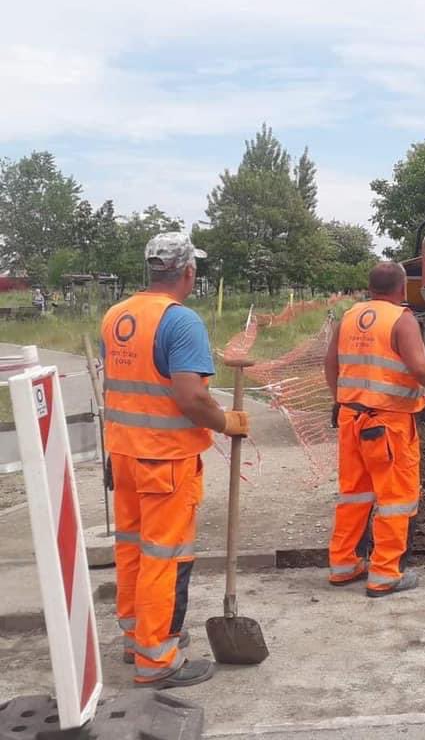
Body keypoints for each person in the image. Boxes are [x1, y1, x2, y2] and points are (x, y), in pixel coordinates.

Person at [100, 232, 249, 689]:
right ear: (188, 272)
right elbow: (190, 396)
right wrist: (227, 422)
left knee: (132, 549)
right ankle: (158, 659)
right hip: (163, 462)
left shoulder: (116, 315)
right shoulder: (180, 322)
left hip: (122, 454)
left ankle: (135, 638)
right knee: (165, 557)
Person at [324, 261, 425, 597]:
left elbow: (330, 364)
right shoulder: (402, 319)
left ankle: (344, 566)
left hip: (351, 418)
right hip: (388, 424)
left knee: (354, 495)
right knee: (395, 498)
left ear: (371, 287)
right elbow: (419, 366)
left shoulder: (349, 316)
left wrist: (341, 399)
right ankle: (385, 574)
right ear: (402, 288)